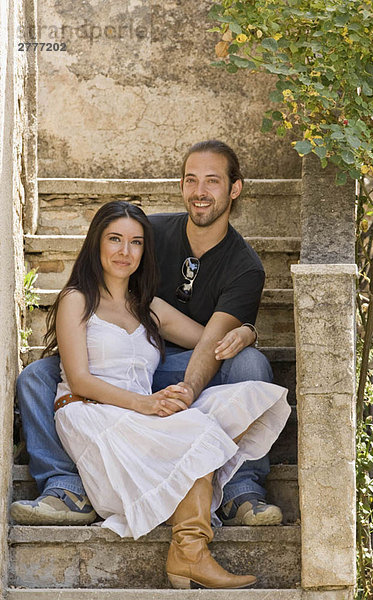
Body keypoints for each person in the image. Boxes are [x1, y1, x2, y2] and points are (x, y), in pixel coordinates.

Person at [12, 139, 284, 527]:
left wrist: (245, 335)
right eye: (192, 180)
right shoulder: (148, 232)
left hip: (186, 364)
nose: (200, 192)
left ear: (234, 188)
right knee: (37, 377)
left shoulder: (244, 266)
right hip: (118, 360)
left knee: (249, 364)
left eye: (212, 182)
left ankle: (240, 489)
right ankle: (65, 486)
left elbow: (211, 340)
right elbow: (101, 265)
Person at [39, 200, 291, 589]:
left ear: (145, 250)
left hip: (139, 417)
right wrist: (149, 404)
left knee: (237, 404)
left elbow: (211, 341)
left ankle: (188, 552)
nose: (125, 252)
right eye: (115, 240)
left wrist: (247, 332)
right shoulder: (78, 298)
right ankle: (191, 552)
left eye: (136, 242)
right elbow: (80, 379)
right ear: (97, 244)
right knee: (199, 433)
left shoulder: (147, 306)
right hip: (91, 413)